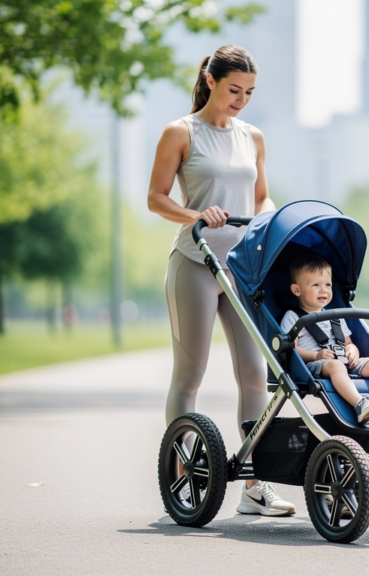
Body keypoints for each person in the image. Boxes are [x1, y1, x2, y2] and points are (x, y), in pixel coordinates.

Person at [147, 45, 294, 517]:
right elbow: (156, 198)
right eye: (234, 90)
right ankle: (180, 476)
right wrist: (196, 215)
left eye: (249, 92)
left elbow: (262, 196)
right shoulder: (180, 132)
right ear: (209, 81)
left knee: (255, 374)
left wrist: (274, 220)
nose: (242, 99)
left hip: (242, 268)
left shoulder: (253, 136)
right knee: (190, 374)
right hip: (195, 262)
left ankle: (254, 488)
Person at [280, 255, 369, 424]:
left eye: (328, 285)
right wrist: (316, 356)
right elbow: (291, 347)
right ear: (297, 290)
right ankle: (360, 404)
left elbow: (348, 343)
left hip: (345, 362)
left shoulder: (335, 316)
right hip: (315, 365)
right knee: (335, 365)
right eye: (315, 285)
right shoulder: (293, 316)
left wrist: (352, 351)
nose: (323, 290)